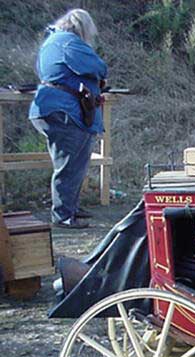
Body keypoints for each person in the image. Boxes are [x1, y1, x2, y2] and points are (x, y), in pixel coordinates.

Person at [29, 9, 107, 229]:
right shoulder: (69, 43)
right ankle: (63, 215)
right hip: (65, 110)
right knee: (69, 165)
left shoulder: (52, 42)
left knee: (75, 162)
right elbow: (98, 67)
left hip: (60, 108)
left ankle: (69, 208)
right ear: (83, 28)